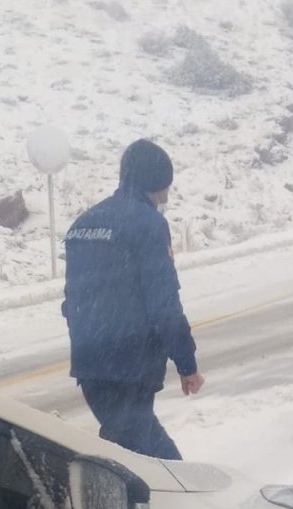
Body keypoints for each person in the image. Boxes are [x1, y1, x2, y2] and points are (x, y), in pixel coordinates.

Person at [62, 139, 204, 460]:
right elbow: (164, 305)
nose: (166, 196)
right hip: (129, 368)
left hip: (90, 366)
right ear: (156, 181)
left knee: (142, 456)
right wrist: (187, 364)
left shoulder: (82, 225)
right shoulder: (149, 225)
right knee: (147, 467)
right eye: (166, 186)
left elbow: (71, 304)